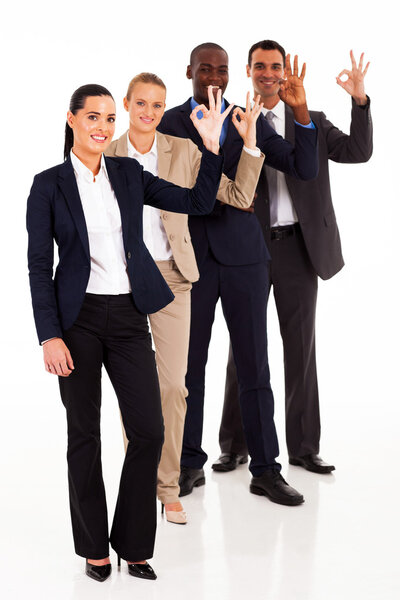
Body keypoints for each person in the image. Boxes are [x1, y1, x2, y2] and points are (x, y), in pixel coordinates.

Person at [26, 83, 228, 582]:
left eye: (109, 118)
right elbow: (37, 267)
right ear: (71, 120)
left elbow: (197, 202)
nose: (102, 126)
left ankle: (134, 544)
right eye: (93, 117)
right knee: (84, 435)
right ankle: (94, 548)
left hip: (128, 317)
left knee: (150, 430)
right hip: (77, 322)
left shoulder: (127, 172)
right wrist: (48, 336)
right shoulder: (47, 185)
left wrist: (211, 145)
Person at [158, 42, 318, 506]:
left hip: (247, 259)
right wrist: (233, 190)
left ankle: (266, 470)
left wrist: (299, 112)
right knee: (190, 368)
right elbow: (185, 193)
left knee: (254, 365)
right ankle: (189, 463)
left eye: (222, 70)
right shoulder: (169, 124)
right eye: (206, 68)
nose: (214, 76)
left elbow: (304, 166)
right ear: (189, 70)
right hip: (193, 260)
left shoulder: (246, 117)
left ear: (232, 75)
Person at [105, 73, 264, 524]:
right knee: (132, 393)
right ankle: (141, 483)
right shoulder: (106, 152)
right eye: (141, 104)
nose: (149, 113)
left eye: (157, 106)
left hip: (174, 277)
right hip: (122, 280)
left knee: (175, 386)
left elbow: (237, 194)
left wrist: (248, 145)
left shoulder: (183, 150)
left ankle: (167, 484)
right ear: (128, 103)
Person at [214, 41, 373, 475]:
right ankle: (235, 444)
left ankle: (304, 448)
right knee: (243, 347)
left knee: (300, 349)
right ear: (248, 71)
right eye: (260, 66)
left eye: (275, 67)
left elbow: (358, 152)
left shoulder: (312, 121)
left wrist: (359, 100)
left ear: (285, 73)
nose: (268, 73)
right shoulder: (233, 120)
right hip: (247, 248)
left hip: (299, 250)